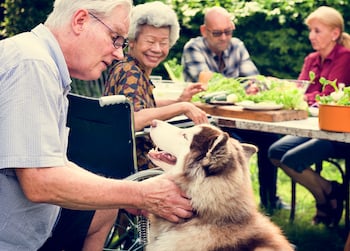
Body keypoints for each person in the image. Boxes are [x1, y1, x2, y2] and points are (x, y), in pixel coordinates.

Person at [0, 0, 194, 250]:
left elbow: (53, 163)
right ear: (80, 21)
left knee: (104, 210)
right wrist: (144, 194)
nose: (119, 53)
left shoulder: (39, 59)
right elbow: (41, 181)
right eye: (115, 37)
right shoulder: (32, 65)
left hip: (28, 221)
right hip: (10, 237)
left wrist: (125, 192)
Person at [181, 6, 285, 211]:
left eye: (228, 32)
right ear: (204, 31)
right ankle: (228, 204)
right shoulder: (193, 48)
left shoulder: (237, 45)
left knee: (270, 139)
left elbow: (254, 80)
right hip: (208, 123)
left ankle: (269, 200)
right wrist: (243, 86)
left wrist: (252, 85)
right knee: (233, 147)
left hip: (237, 118)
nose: (224, 38)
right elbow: (207, 83)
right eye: (217, 33)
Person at [268, 6, 350, 227]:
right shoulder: (311, 58)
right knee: (275, 152)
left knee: (291, 159)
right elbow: (300, 93)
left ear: (334, 33)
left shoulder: (346, 57)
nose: (311, 36)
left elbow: (328, 96)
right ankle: (330, 192)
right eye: (311, 31)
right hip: (313, 124)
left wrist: (306, 95)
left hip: (337, 131)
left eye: (317, 31)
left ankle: (326, 202)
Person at [104, 1, 209, 171]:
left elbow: (140, 105)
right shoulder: (131, 72)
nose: (157, 49)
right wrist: (182, 107)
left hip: (142, 161)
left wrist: (178, 101)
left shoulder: (130, 67)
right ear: (131, 41)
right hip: (139, 169)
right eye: (150, 41)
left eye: (163, 42)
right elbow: (134, 118)